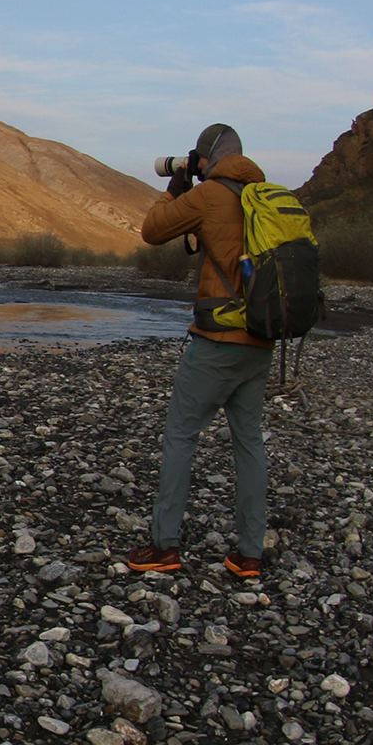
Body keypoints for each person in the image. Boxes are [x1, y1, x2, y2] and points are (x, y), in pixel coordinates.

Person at [127, 123, 272, 579]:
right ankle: (249, 553)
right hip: (261, 339)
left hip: (216, 342)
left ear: (206, 158)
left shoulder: (210, 196)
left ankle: (164, 545)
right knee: (248, 442)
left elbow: (152, 230)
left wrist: (174, 189)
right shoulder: (264, 197)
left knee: (181, 437)